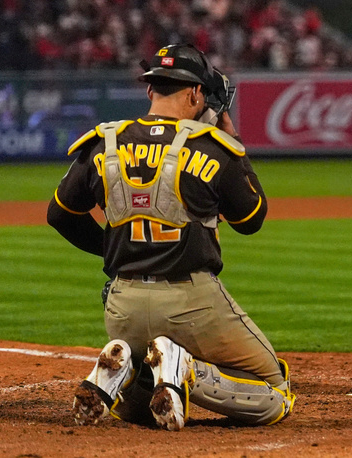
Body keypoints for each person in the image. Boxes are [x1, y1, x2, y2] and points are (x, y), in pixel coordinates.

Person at [47, 43, 295, 431]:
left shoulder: (105, 140)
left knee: (137, 411)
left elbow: (58, 214)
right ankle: (186, 368)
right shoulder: (212, 148)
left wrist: (111, 249)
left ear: (150, 91)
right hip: (190, 305)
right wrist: (237, 149)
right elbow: (251, 218)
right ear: (195, 94)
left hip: (122, 307)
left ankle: (125, 367)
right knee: (276, 393)